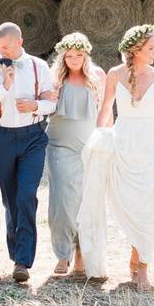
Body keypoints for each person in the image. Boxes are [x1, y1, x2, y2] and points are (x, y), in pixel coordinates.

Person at [77, 24, 154, 291]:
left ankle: (143, 267)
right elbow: (106, 107)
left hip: (150, 146)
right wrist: (98, 137)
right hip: (122, 143)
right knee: (126, 204)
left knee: (148, 207)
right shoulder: (114, 74)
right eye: (151, 48)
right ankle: (136, 253)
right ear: (135, 50)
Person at [0, 22, 56, 283]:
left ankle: (23, 261)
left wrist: (35, 105)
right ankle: (15, 252)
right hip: (1, 137)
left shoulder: (39, 67)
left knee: (27, 195)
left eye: (5, 47)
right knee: (10, 199)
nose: (1, 51)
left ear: (19, 42)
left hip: (33, 137)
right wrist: (3, 88)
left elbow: (51, 104)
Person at [46, 32, 104, 276]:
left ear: (86, 55)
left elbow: (106, 110)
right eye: (68, 56)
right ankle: (62, 253)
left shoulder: (98, 76)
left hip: (88, 147)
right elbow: (44, 107)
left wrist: (105, 139)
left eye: (78, 55)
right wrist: (53, 92)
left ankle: (82, 251)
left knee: (86, 202)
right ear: (63, 56)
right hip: (59, 145)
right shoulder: (54, 78)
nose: (73, 60)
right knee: (61, 203)